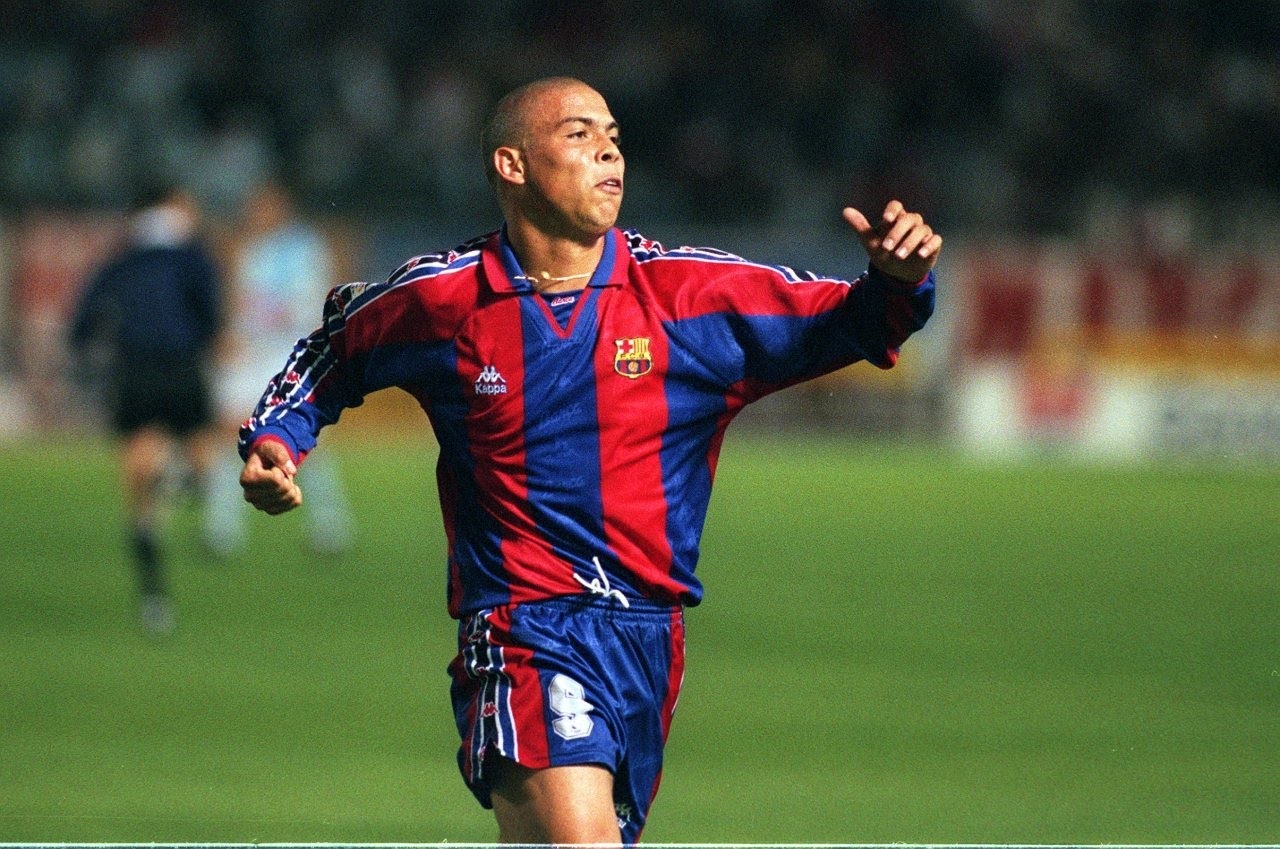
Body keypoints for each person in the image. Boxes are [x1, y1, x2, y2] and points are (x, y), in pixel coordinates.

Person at [238, 77, 940, 844]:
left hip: (650, 637)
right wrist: (277, 438)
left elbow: (852, 321)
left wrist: (898, 280)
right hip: (523, 626)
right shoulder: (445, 299)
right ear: (512, 164)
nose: (609, 150)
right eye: (579, 134)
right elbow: (338, 347)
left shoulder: (689, 296)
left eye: (613, 136)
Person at [69, 181, 224, 636]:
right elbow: (211, 312)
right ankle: (177, 477)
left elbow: (84, 321)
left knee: (139, 490)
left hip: (133, 370)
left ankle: (154, 600)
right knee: (204, 467)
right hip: (180, 368)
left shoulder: (120, 258)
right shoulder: (192, 255)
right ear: (172, 206)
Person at [203, 178, 354, 558]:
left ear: (280, 207)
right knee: (229, 434)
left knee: (305, 442)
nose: (255, 213)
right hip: (249, 352)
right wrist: (228, 334)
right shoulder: (247, 248)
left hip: (289, 352)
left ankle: (330, 527)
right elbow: (237, 300)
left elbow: (312, 301)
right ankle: (221, 530)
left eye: (262, 206)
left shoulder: (305, 248)